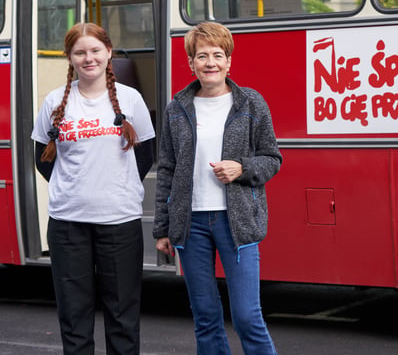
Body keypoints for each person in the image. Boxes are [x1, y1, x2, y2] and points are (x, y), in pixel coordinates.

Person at [153, 21, 281, 355]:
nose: (210, 62)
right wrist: (163, 227)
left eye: (217, 55)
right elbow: (166, 168)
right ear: (191, 63)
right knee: (206, 317)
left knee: (247, 317)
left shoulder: (251, 104)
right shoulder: (177, 108)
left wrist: (242, 168)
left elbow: (272, 158)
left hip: (236, 223)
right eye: (202, 56)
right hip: (190, 224)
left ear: (229, 61)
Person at [31, 23, 155, 355]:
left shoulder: (131, 99)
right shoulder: (54, 101)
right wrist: (75, 188)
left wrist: (116, 187)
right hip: (67, 224)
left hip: (119, 223)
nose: (89, 58)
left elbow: (145, 155)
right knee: (74, 319)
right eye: (80, 52)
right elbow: (43, 159)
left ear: (109, 52)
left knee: (123, 318)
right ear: (69, 58)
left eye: (95, 50)